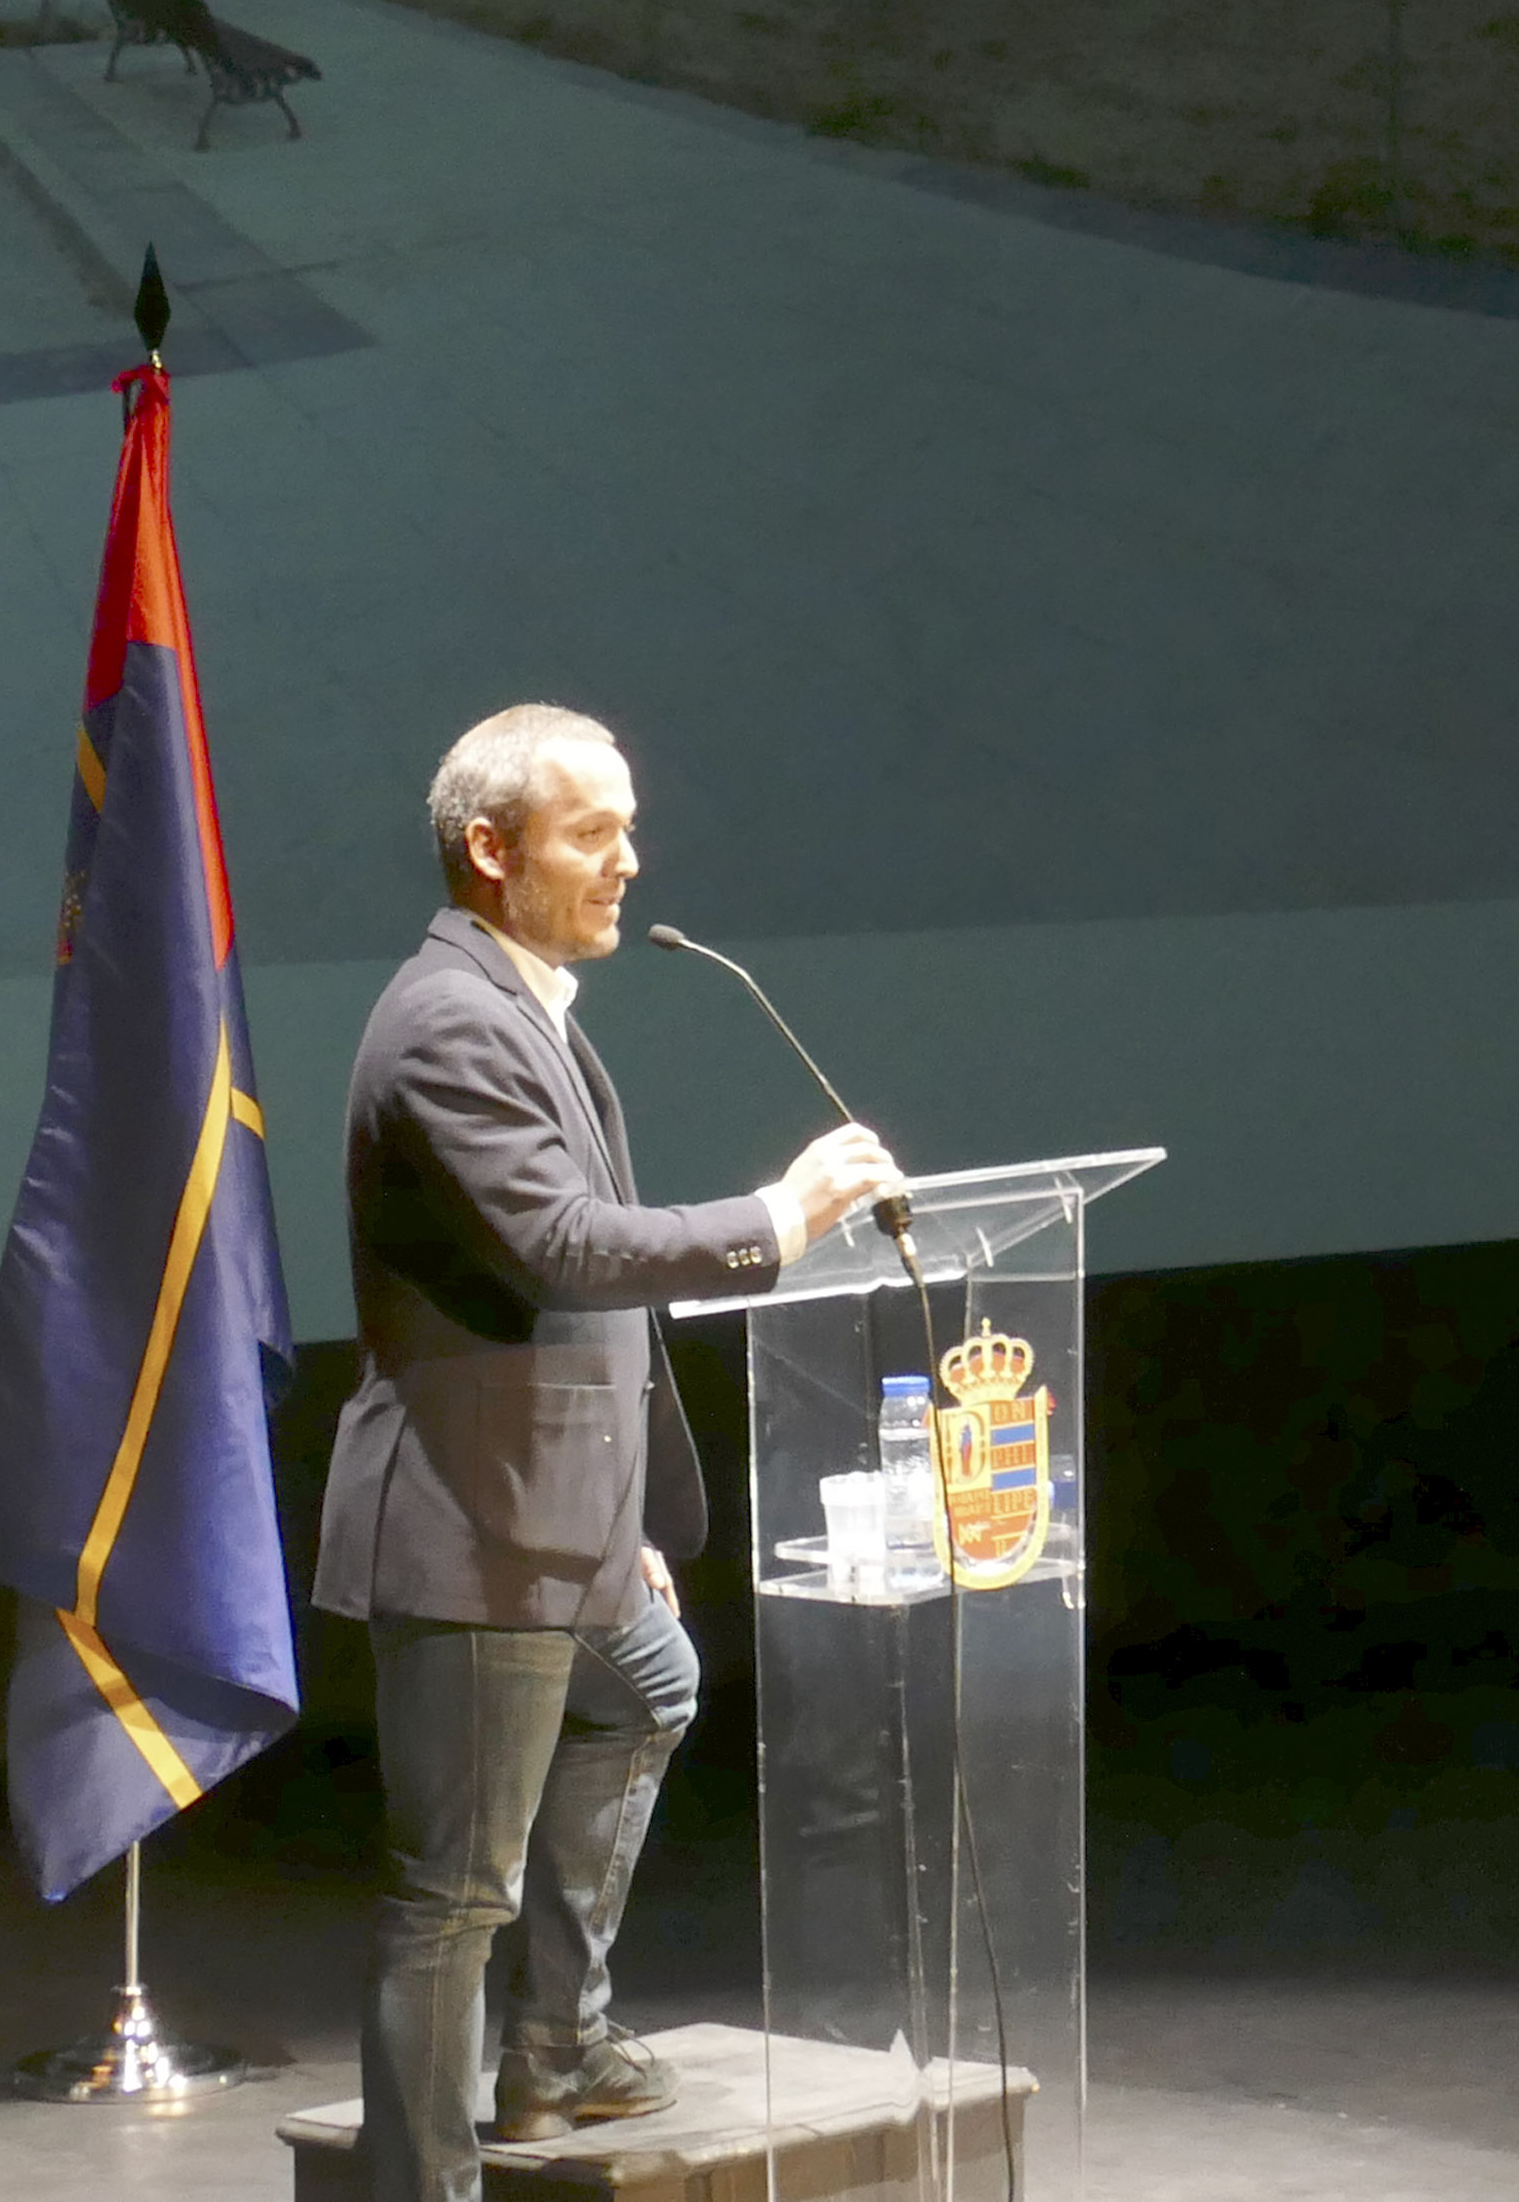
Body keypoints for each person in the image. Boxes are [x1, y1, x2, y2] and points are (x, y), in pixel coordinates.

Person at [326, 706, 902, 2199]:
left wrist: (615, 1509)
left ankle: (556, 2051)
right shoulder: (449, 1021)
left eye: (628, 829)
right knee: (452, 1897)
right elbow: (566, 1250)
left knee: (651, 1684)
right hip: (474, 1525)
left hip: (548, 1512)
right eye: (593, 834)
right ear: (491, 847)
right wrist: (779, 1220)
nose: (628, 862)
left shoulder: (517, 1005)